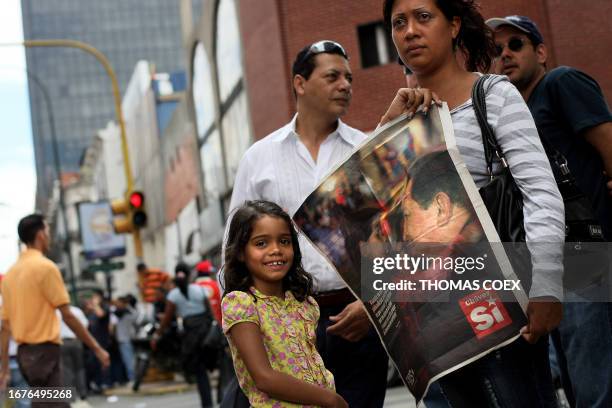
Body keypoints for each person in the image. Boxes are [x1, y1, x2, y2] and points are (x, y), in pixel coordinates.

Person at [379, 0, 566, 406]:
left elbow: (540, 191)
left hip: (502, 303)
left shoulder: (492, 94)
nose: (409, 31)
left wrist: (548, 285)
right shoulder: (401, 118)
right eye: (398, 22)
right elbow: (380, 218)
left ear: (453, 26)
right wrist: (388, 126)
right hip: (435, 323)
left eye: (423, 17)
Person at [226, 40, 388, 407]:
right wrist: (247, 327)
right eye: (332, 76)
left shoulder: (367, 151)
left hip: (357, 317)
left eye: (348, 78)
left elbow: (395, 237)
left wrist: (374, 305)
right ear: (300, 83)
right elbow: (232, 248)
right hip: (281, 322)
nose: (345, 85)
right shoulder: (259, 158)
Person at [486, 15, 612, 407]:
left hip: (587, 255)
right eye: (496, 50)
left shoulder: (560, 82)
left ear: (540, 52)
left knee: (593, 383)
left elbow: (608, 143)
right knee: (575, 380)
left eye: (516, 45)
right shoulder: (512, 114)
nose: (504, 54)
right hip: (551, 260)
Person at [222, 200, 348, 408]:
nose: (276, 250)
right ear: (240, 253)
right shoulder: (241, 303)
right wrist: (330, 399)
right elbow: (264, 378)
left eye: (284, 241)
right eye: (261, 243)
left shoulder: (303, 304)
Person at [0, 214, 110, 407]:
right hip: (45, 353)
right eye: (48, 230)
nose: (49, 235)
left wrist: (5, 368)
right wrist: (97, 348)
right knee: (54, 402)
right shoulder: (45, 268)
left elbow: (5, 328)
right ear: (41, 234)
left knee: (48, 401)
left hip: (25, 355)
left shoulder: (9, 276)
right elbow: (67, 315)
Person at [152, 262, 213, 408]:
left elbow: (166, 319)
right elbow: (210, 312)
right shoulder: (200, 289)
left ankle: (207, 404)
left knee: (199, 372)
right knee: (211, 368)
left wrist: (156, 335)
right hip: (206, 334)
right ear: (190, 274)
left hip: (191, 337)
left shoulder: (174, 295)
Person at [57, 304, 90, 405]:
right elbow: (85, 324)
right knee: (79, 368)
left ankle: (70, 396)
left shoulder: (56, 312)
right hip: (76, 340)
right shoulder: (77, 310)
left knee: (67, 370)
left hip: (62, 342)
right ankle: (82, 392)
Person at [112, 296, 137, 383]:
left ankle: (132, 378)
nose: (116, 305)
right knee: (128, 360)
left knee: (129, 360)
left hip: (126, 339)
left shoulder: (127, 312)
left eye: (119, 303)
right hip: (124, 339)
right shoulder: (121, 312)